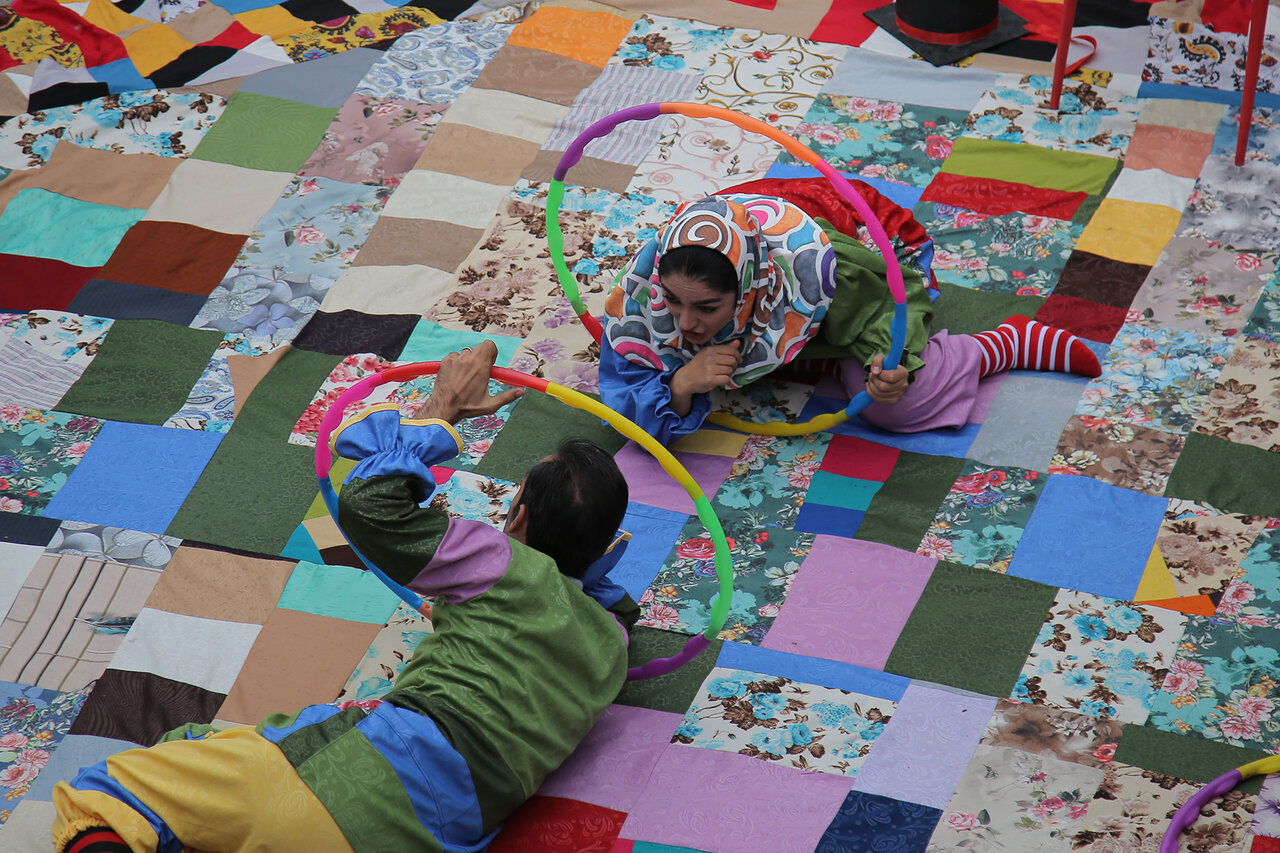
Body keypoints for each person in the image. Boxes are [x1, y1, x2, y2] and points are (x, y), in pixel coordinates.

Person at [50, 341, 638, 853]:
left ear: (518, 517)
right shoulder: (612, 643)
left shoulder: (499, 561)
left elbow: (371, 504)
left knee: (105, 793)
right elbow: (603, 603)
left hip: (345, 784)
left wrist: (443, 407)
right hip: (440, 836)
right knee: (209, 756)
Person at [599, 176, 1102, 445]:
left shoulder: (823, 268)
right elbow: (628, 410)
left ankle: (996, 346)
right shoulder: (646, 291)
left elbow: (890, 302)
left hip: (872, 252)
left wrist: (891, 363)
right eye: (675, 301)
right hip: (740, 241)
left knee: (894, 402)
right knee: (678, 361)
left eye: (706, 308)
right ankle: (808, 355)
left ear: (752, 287)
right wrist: (683, 383)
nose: (685, 323)